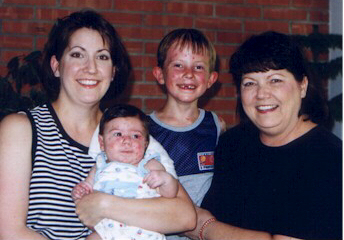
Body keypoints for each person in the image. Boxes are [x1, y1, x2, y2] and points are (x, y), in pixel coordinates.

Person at [0, 10, 196, 240]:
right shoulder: (21, 129)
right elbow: (9, 231)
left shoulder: (128, 133)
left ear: (113, 71)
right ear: (56, 65)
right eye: (77, 54)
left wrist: (105, 204)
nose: (90, 68)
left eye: (102, 57)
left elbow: (185, 216)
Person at [185, 31, 342, 240]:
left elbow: (204, 223)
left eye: (275, 80)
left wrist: (207, 229)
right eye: (250, 82)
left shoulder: (330, 157)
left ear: (302, 86)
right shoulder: (232, 144)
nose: (262, 94)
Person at [148, 28, 226, 240]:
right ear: (160, 75)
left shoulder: (216, 126)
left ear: (211, 79)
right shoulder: (143, 130)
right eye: (178, 65)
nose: (188, 73)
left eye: (198, 67)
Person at [72, 104, 178, 240]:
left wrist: (166, 179)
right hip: (107, 231)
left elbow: (170, 194)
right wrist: (80, 191)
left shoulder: (149, 164)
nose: (127, 141)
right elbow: (86, 189)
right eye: (118, 134)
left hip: (144, 230)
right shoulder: (99, 166)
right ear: (101, 142)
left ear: (146, 144)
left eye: (135, 136)